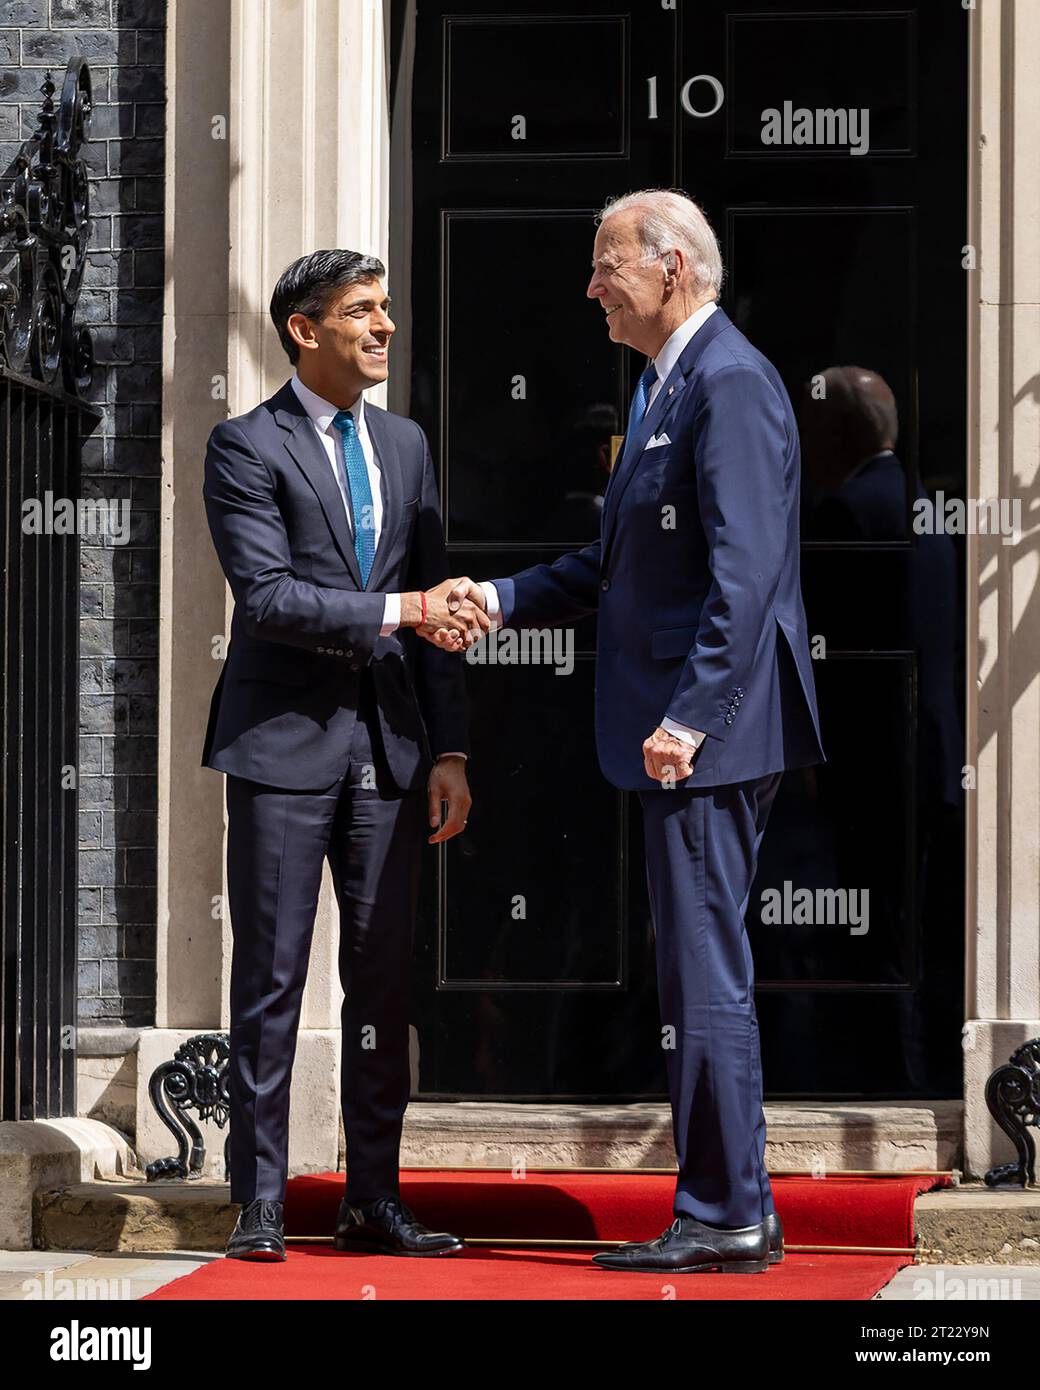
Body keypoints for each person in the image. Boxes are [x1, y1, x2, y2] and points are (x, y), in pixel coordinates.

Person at [442, 189, 826, 1274]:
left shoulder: (730, 383)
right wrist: (503, 599)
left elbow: (746, 579)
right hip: (690, 729)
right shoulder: (667, 384)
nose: (590, 286)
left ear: (672, 267)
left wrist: (689, 719)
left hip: (709, 734)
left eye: (606, 264)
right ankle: (731, 1202)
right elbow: (616, 572)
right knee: (696, 970)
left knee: (703, 975)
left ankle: (722, 1213)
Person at [202, 249, 488, 1261]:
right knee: (273, 978)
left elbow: (438, 606)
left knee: (382, 983)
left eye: (386, 310)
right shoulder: (244, 447)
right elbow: (269, 597)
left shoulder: (405, 446)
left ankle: (374, 1195)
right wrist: (403, 607)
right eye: (361, 312)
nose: (383, 328)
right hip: (281, 746)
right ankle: (261, 1200)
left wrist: (447, 746)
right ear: (303, 328)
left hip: (394, 749)